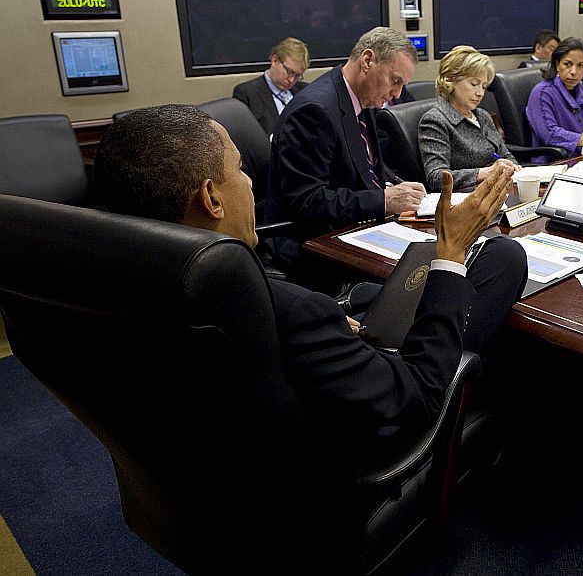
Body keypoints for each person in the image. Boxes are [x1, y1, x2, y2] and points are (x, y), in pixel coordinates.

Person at [94, 104, 528, 447]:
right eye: (241, 169)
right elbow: (416, 396)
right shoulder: (297, 315)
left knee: (374, 292)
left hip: (229, 445)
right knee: (502, 258)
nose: (249, 183)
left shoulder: (123, 282)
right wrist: (450, 254)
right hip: (368, 436)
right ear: (211, 198)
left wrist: (331, 321)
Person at [266, 27, 427, 271]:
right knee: (419, 275)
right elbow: (309, 201)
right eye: (395, 81)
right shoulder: (314, 111)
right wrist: (384, 200)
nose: (397, 94)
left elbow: (365, 167)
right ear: (368, 61)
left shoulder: (361, 99)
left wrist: (395, 186)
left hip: (355, 228)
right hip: (311, 245)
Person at [419, 45, 520, 192]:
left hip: (498, 191)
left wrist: (512, 166)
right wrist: (485, 172)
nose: (480, 93)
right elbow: (436, 178)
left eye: (484, 86)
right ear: (450, 80)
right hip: (467, 200)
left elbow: (504, 154)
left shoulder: (483, 115)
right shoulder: (435, 120)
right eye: (474, 84)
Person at [232, 37, 309, 137]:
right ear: (274, 60)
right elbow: (245, 138)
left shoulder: (305, 91)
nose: (291, 80)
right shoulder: (246, 94)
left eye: (297, 76)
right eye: (289, 72)